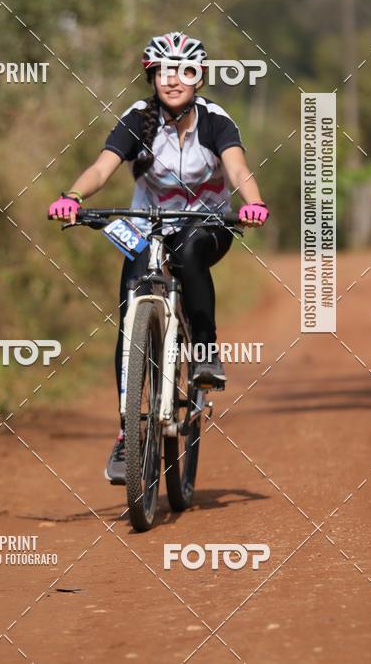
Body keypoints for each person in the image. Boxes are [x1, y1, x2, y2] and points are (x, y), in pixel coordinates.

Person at [48, 31, 269, 484]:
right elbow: (102, 167)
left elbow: (237, 168)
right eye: (164, 71)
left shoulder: (215, 121)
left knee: (188, 250)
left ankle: (204, 350)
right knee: (130, 307)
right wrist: (72, 196)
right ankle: (127, 431)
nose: (173, 80)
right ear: (152, 77)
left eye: (184, 71)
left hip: (207, 226)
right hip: (146, 226)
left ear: (198, 77)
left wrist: (254, 203)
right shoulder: (137, 119)